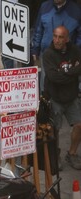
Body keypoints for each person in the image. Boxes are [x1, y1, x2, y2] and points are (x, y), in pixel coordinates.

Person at [43, 25, 81, 170]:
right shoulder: (48, 54)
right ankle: (55, 155)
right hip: (55, 97)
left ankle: (71, 153)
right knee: (55, 130)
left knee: (79, 125)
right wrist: (72, 73)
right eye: (55, 36)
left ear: (67, 39)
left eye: (60, 37)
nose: (57, 40)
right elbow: (53, 77)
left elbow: (80, 68)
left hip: (71, 97)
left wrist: (65, 73)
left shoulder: (75, 50)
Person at [32, 0, 81, 94]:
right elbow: (38, 29)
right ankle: (46, 104)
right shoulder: (44, 7)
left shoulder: (76, 11)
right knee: (46, 83)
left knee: (67, 82)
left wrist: (77, 52)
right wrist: (35, 49)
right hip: (47, 54)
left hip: (68, 55)